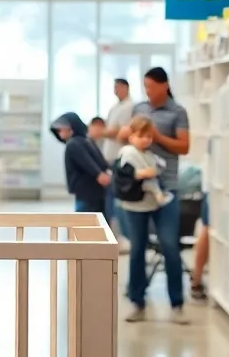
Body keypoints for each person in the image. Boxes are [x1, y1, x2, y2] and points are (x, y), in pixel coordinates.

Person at [117, 67, 190, 324]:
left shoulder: (178, 112)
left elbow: (184, 146)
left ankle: (177, 303)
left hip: (166, 188)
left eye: (151, 86)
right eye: (145, 86)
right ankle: (137, 301)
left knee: (170, 245)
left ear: (164, 85)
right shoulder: (139, 108)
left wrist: (157, 137)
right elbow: (122, 136)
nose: (147, 91)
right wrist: (129, 135)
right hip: (137, 193)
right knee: (137, 248)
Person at [50, 112, 110, 214]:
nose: (59, 132)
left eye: (62, 128)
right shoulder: (86, 141)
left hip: (86, 192)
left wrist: (98, 174)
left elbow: (86, 162)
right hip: (94, 191)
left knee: (83, 224)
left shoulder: (74, 143)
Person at [114, 116, 174, 209]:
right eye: (141, 136)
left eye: (149, 136)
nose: (145, 139)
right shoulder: (128, 152)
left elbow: (159, 166)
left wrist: (155, 171)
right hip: (131, 202)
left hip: (147, 203)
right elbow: (121, 170)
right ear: (131, 136)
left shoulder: (149, 154)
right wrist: (138, 173)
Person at [101, 78, 134, 245]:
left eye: (117, 87)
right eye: (113, 87)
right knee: (108, 197)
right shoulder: (116, 107)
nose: (115, 91)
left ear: (125, 88)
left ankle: (117, 236)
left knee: (114, 198)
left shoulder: (129, 107)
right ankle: (110, 234)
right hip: (109, 158)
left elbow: (118, 133)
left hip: (119, 158)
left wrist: (100, 132)